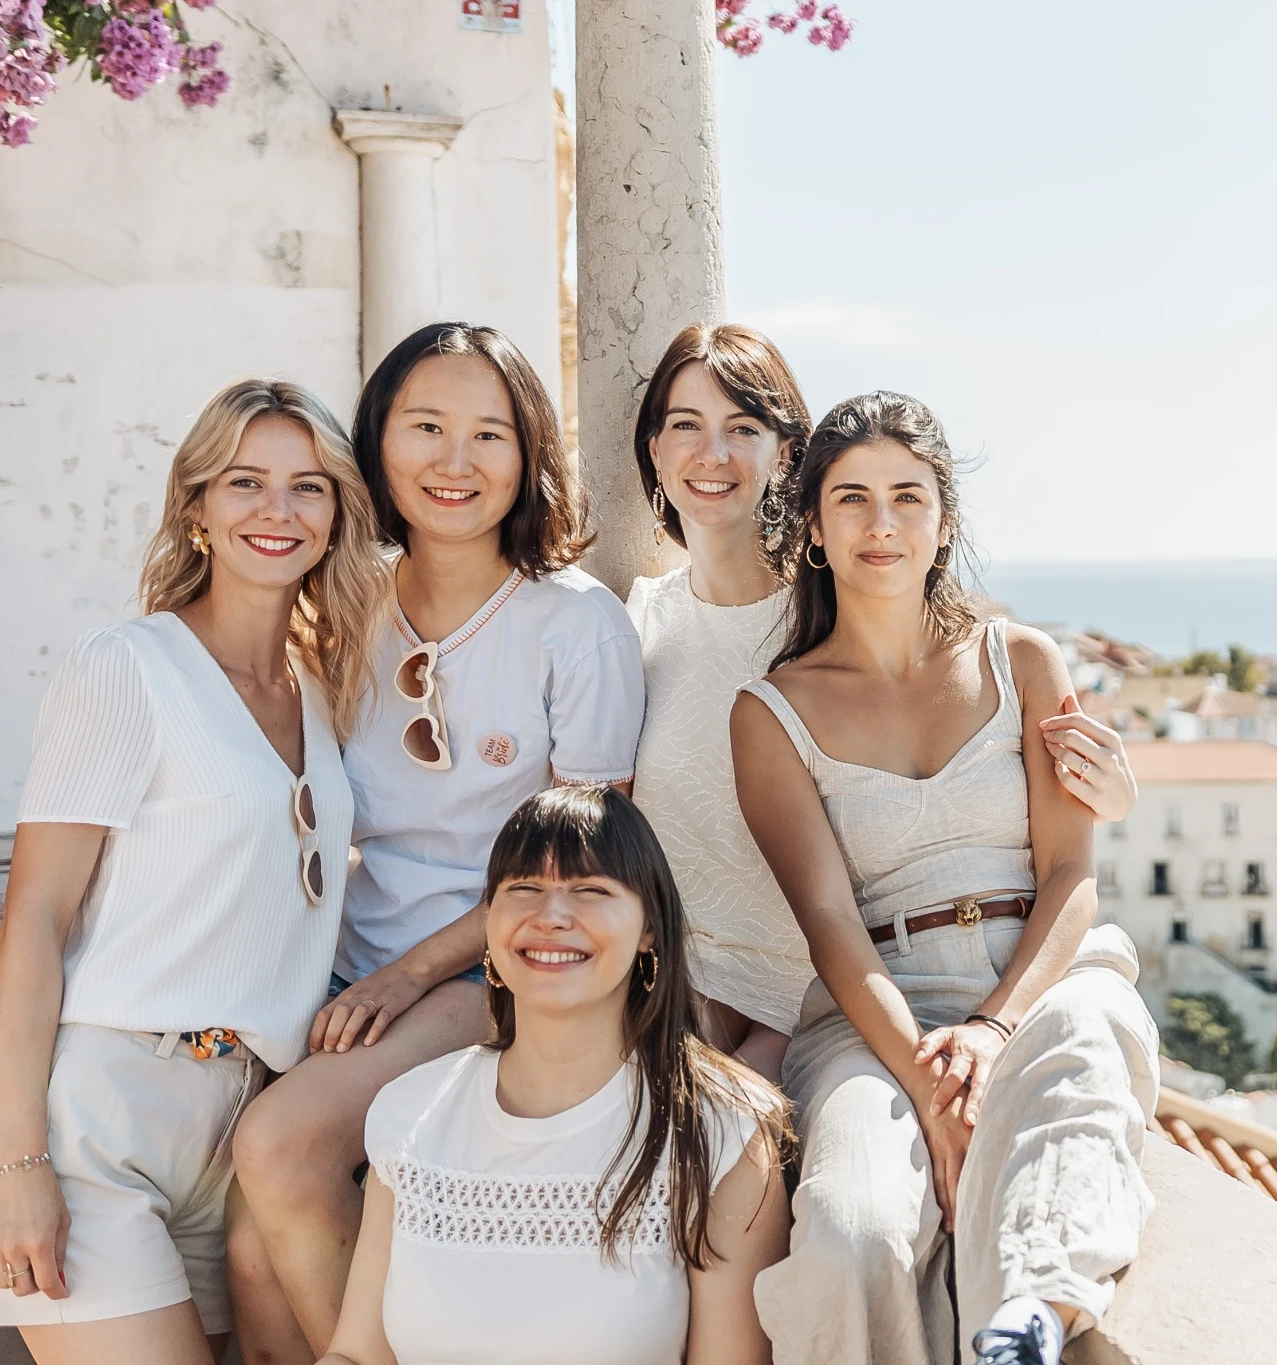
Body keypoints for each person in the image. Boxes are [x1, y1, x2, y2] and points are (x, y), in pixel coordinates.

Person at [229, 324, 646, 1363]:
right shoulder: (337, 607)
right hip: (350, 969)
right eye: (425, 427)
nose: (453, 463)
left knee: (280, 1149)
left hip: (500, 965)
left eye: (488, 435)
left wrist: (409, 976)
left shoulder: (573, 623)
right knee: (245, 1247)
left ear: (528, 454)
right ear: (377, 442)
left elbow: (577, 864)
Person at [731, 392, 1160, 1365]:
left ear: (943, 521)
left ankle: (1028, 1324)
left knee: (1083, 1060)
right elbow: (828, 923)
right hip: (872, 1010)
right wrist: (930, 1083)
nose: (880, 525)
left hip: (1040, 974)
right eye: (849, 499)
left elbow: (1070, 875)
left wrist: (995, 1028)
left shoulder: (1024, 662)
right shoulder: (768, 713)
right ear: (810, 528)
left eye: (906, 497)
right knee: (852, 1229)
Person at [629, 323, 1139, 1083]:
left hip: (820, 990)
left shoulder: (852, 604)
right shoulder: (636, 621)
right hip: (701, 989)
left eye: (744, 426)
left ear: (787, 458)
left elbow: (952, 697)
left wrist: (1121, 794)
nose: (714, 454)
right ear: (653, 450)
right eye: (686, 426)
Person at [0, 379, 384, 1364]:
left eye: (308, 487)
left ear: (338, 511)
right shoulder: (126, 666)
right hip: (99, 1114)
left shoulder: (323, 687)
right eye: (244, 482)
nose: (277, 511)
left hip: (246, 1125)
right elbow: (34, 916)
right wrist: (17, 1163)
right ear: (197, 506)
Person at [314, 785, 789, 1365]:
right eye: (525, 889)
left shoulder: (723, 1131)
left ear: (649, 930)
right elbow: (358, 1354)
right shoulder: (409, 1112)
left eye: (590, 891)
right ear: (489, 922)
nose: (552, 916)